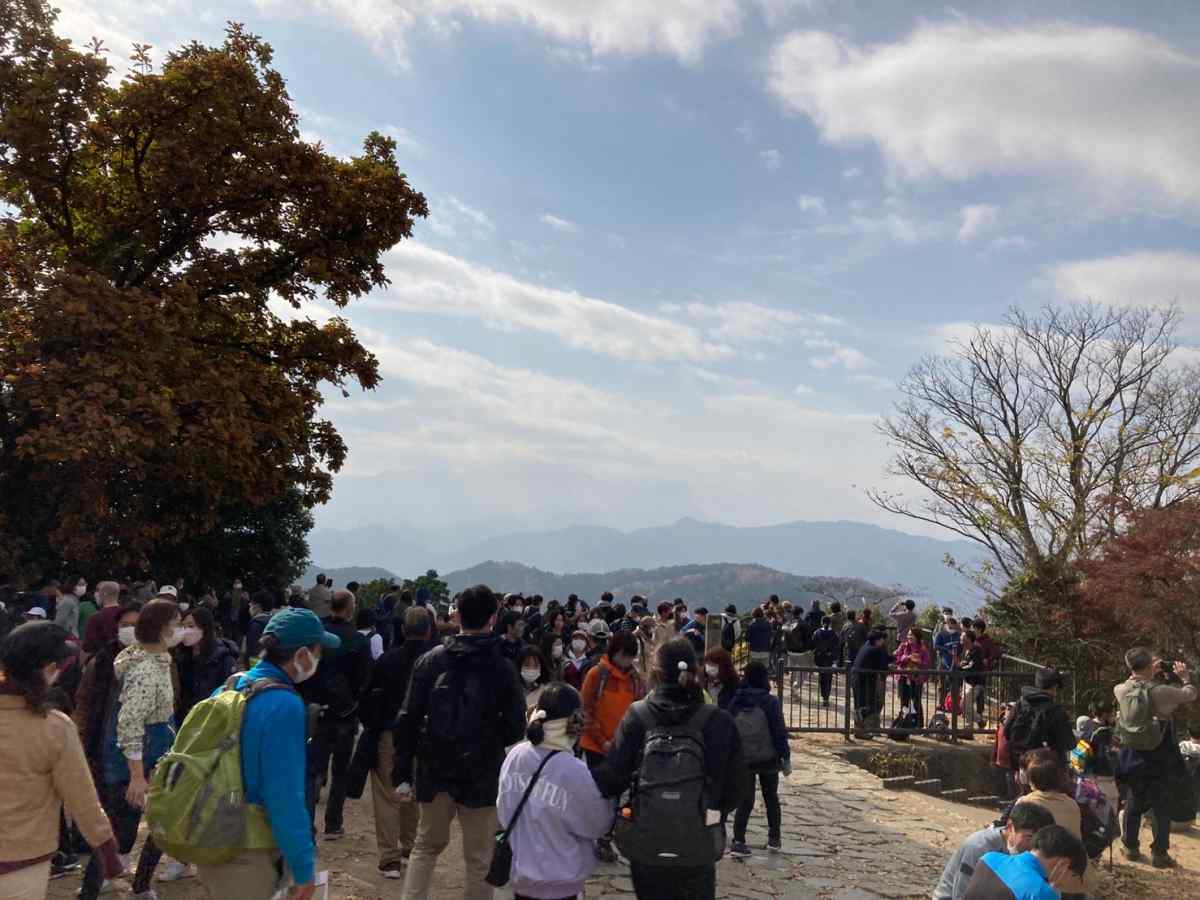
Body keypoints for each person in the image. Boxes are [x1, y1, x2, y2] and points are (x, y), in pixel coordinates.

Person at [194, 607, 340, 900]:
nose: (319, 658)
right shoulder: (284, 705)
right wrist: (303, 867)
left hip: (212, 836)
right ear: (301, 654)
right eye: (317, 650)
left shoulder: (230, 687)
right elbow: (284, 797)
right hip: (249, 850)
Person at [392, 584, 526, 900]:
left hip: (434, 769)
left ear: (456, 615)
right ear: (493, 619)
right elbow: (514, 728)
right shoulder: (502, 668)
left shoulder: (430, 661)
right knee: (479, 860)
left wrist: (401, 774)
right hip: (482, 774)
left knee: (425, 847)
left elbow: (408, 720)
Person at [592, 638, 744, 900]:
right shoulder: (718, 720)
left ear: (656, 673)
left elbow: (611, 781)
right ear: (695, 671)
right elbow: (737, 787)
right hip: (699, 841)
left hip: (647, 840)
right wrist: (710, 809)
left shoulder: (637, 716)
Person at [0, 622, 126, 898]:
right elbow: (83, 800)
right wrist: (111, 858)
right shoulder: (55, 727)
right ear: (48, 670)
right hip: (23, 863)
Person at [79, 598, 181, 900]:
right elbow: (130, 723)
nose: (180, 631)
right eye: (176, 624)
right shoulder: (146, 669)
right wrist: (137, 776)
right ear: (164, 628)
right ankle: (93, 892)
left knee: (157, 823)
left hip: (150, 756)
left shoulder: (148, 657)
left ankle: (139, 885)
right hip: (134, 762)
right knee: (118, 832)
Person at [499, 684, 614, 900]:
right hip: (563, 882)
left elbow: (504, 811)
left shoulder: (515, 756)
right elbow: (597, 824)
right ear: (573, 722)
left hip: (521, 877)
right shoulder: (574, 770)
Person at [358, 607, 430, 879]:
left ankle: (389, 859)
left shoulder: (387, 659)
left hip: (389, 734)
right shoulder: (435, 659)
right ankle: (410, 849)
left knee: (387, 795)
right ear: (429, 630)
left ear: (402, 630)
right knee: (414, 793)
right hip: (424, 735)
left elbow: (367, 697)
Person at [1115, 647, 1198, 868]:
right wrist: (1183, 677)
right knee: (1161, 806)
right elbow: (1190, 694)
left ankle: (1130, 847)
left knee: (1134, 801)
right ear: (1150, 665)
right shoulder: (1161, 692)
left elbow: (1132, 682)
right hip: (1159, 757)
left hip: (1132, 756)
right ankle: (1160, 853)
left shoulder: (1120, 689)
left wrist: (1142, 671)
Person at [301, 589, 371, 839]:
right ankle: (333, 824)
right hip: (345, 714)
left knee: (311, 773)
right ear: (351, 608)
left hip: (314, 712)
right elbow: (365, 679)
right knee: (340, 772)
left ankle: (307, 827)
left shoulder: (316, 633)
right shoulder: (357, 639)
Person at [728, 661, 790, 858]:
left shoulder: (737, 700)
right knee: (771, 797)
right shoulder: (770, 702)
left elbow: (728, 727)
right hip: (768, 757)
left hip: (743, 759)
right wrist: (785, 755)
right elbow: (779, 730)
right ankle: (774, 838)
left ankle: (738, 840)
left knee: (745, 800)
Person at [933, 802, 1056, 900]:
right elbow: (961, 894)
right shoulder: (979, 847)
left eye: (1039, 840)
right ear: (1010, 827)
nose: (1034, 846)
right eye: (1029, 837)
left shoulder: (1033, 854)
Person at [1015, 749, 1089, 895]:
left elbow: (1018, 844)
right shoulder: (1071, 804)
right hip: (1074, 879)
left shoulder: (1026, 803)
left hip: (1043, 882)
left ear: (1032, 778)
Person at [960, 825, 1087, 900]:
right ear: (1064, 864)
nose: (1070, 881)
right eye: (1073, 875)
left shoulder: (989, 858)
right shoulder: (1041, 892)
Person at [175, 606, 239, 721]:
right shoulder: (181, 657)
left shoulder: (223, 658)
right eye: (182, 626)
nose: (185, 631)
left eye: (191, 626)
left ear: (204, 628)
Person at [1002, 668, 1075, 769]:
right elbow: (1068, 744)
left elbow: (1006, 732)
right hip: (1044, 770)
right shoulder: (1056, 710)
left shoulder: (1021, 703)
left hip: (1019, 764)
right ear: (1055, 687)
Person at [852, 629, 892, 735]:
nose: (883, 642)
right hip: (865, 681)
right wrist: (890, 667)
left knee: (860, 705)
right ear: (878, 640)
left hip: (857, 679)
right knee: (868, 706)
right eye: (882, 640)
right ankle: (864, 730)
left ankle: (860, 730)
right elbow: (882, 666)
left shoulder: (865, 647)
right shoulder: (876, 650)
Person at [894, 627, 931, 724]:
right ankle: (903, 723)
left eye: (912, 635)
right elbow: (897, 659)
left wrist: (920, 661)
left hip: (917, 678)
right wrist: (907, 658)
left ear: (917, 637)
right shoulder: (903, 646)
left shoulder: (923, 649)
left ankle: (919, 724)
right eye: (908, 634)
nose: (909, 637)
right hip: (903, 677)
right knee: (904, 700)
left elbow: (927, 664)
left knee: (916, 701)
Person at [81, 581, 123, 659]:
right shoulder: (126, 614)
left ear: (103, 594)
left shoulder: (96, 618)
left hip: (103, 660)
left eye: (98, 591)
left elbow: (88, 646)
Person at [957, 631, 987, 731]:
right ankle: (969, 728)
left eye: (963, 635)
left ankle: (978, 722)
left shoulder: (977, 650)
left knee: (964, 704)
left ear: (969, 638)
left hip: (975, 682)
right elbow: (964, 663)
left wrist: (960, 668)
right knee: (965, 705)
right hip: (967, 680)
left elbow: (972, 666)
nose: (960, 637)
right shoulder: (965, 649)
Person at [810, 616, 841, 707]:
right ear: (830, 623)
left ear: (821, 622)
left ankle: (823, 695)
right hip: (829, 658)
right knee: (828, 678)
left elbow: (813, 644)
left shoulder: (817, 632)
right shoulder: (833, 633)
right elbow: (837, 646)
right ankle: (826, 697)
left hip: (820, 658)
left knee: (822, 677)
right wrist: (835, 659)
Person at [516, 645, 550, 717]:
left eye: (536, 665)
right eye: (527, 665)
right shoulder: (512, 690)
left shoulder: (546, 692)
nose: (531, 669)